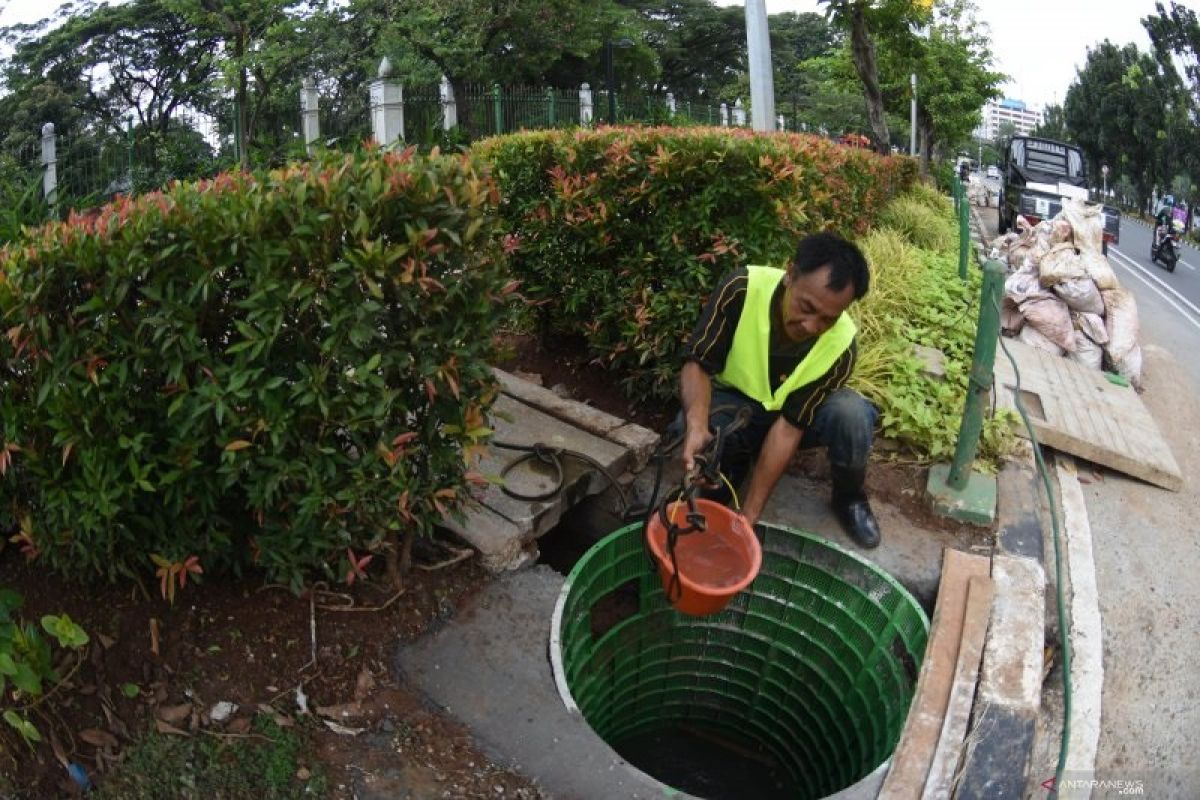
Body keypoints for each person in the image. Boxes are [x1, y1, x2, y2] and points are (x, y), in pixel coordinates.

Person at [669, 232, 881, 548]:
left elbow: (789, 428)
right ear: (790, 275)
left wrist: (748, 518)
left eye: (827, 319)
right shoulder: (741, 289)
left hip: (791, 418)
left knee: (852, 414)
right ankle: (729, 467)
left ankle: (849, 498)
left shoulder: (842, 345)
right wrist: (698, 424)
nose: (812, 326)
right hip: (734, 404)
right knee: (697, 436)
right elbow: (697, 364)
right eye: (806, 307)